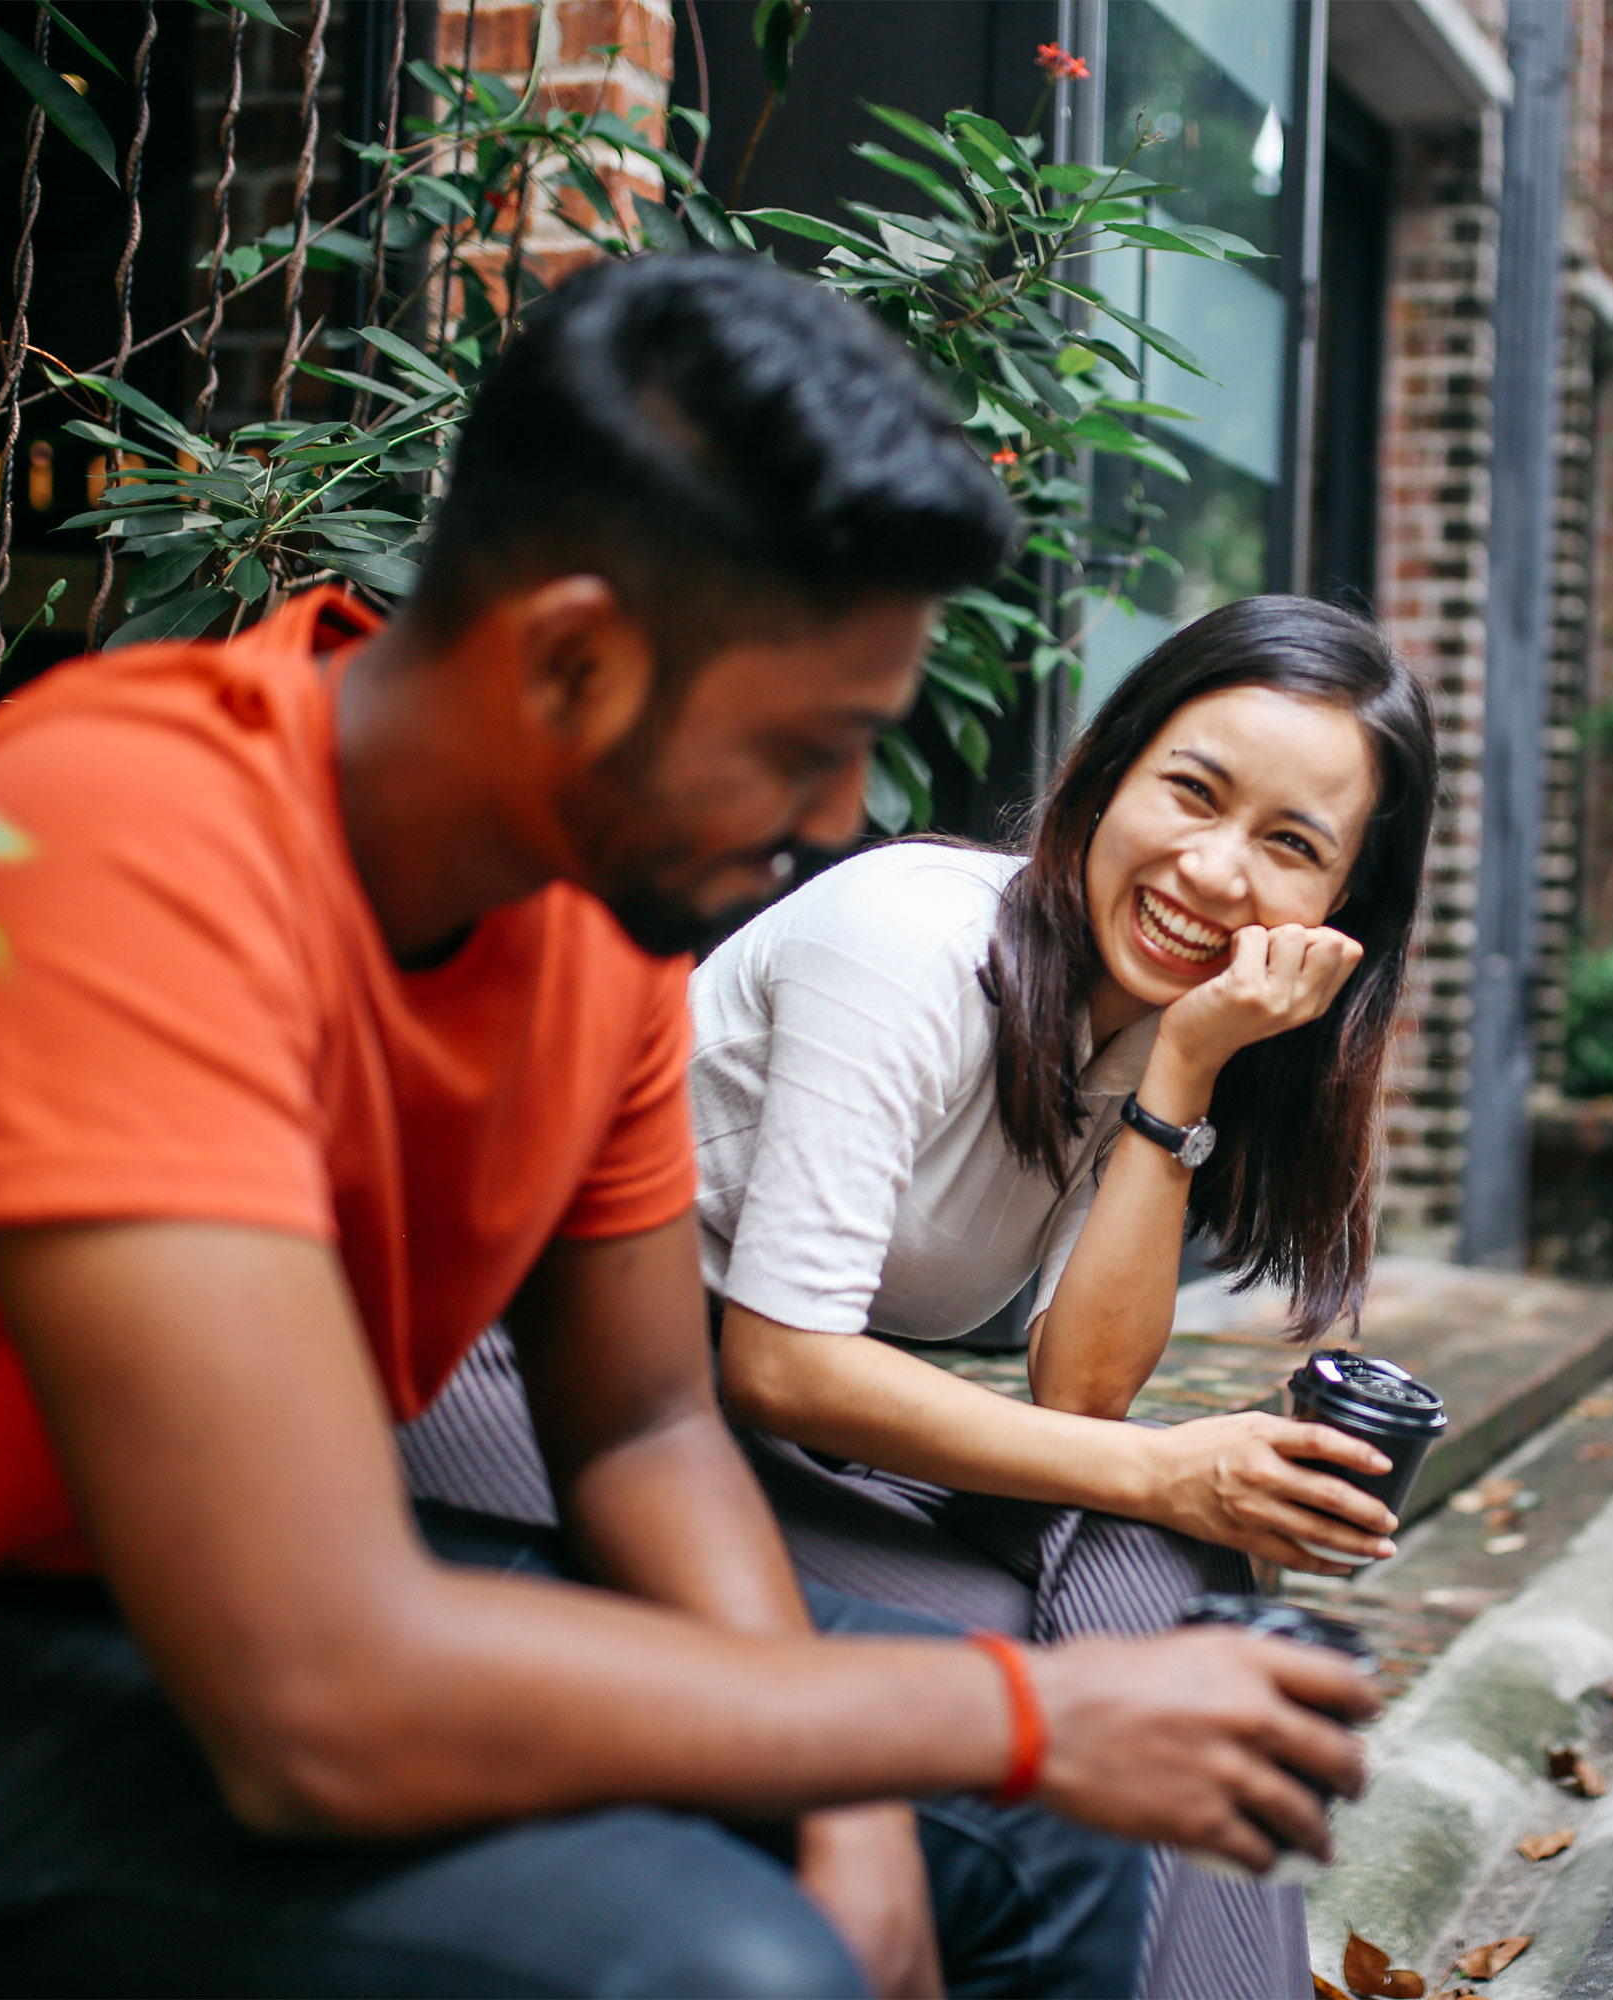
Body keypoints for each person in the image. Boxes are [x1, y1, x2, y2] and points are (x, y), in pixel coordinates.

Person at [0, 257, 1379, 1999]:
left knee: (1048, 1836)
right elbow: (312, 1700)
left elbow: (641, 1431)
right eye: (805, 741)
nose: (841, 813)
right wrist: (1000, 1713)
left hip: (192, 1613)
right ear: (570, 661)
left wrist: (860, 1796)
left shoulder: (597, 922)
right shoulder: (131, 842)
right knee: (717, 1963)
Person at [409, 596, 1436, 1997]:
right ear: (1112, 770)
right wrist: (1171, 1472)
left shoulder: (1157, 1024)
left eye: (1291, 846)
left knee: (1164, 1580)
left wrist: (1183, 1072)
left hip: (726, 1436)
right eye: (1192, 791)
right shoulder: (909, 940)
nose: (1214, 870)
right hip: (545, 1407)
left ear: (1340, 914)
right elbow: (787, 1363)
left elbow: (1081, 1394)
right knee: (1134, 1589)